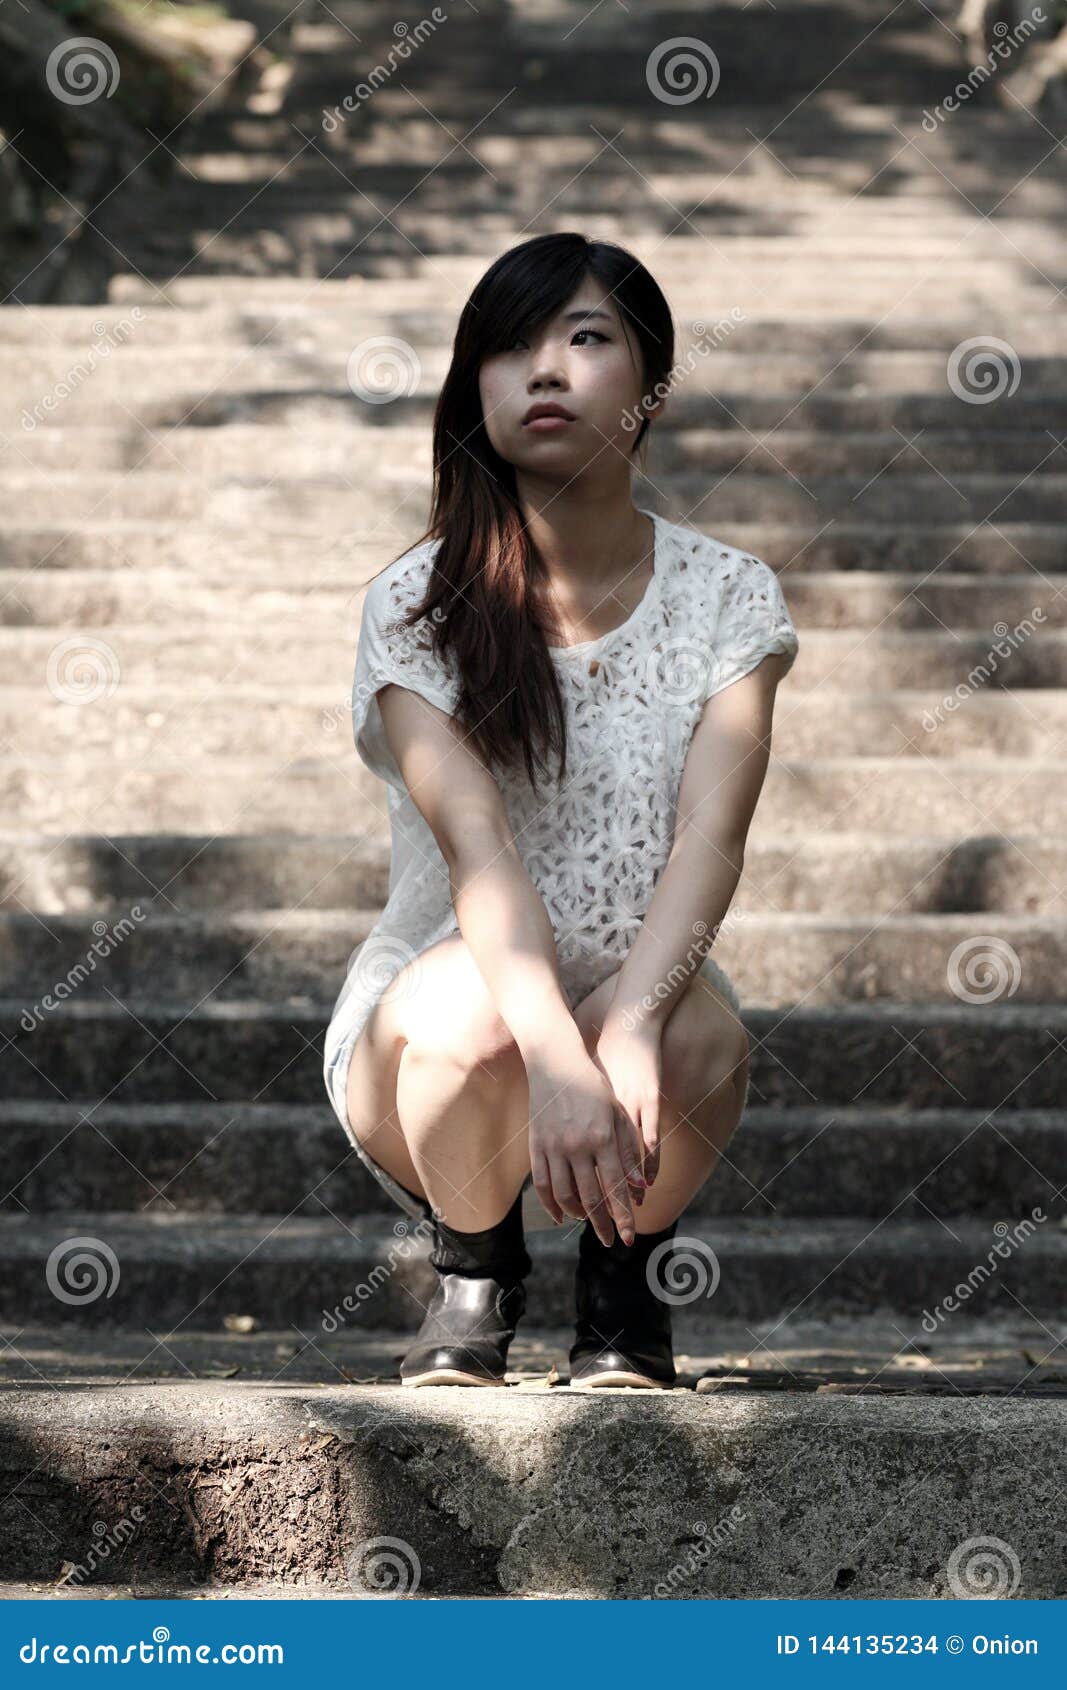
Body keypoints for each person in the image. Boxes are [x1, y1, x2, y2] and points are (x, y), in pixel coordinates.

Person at [323, 231, 799, 1390]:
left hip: (646, 995)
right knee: (467, 1014)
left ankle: (621, 1287)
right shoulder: (418, 603)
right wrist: (553, 1045)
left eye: (585, 340)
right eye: (508, 348)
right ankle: (475, 1274)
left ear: (648, 389)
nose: (543, 370)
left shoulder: (728, 594)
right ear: (470, 388)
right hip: (440, 1038)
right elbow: (477, 849)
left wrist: (626, 1024)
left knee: (696, 1031)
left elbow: (710, 835)